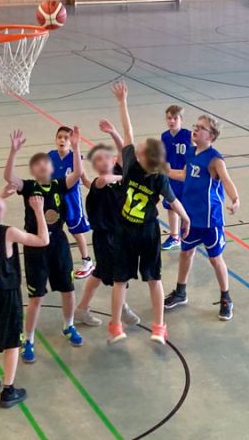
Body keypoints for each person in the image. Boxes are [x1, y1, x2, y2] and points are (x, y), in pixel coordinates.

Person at [107, 81, 191, 346]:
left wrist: (122, 102)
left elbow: (127, 131)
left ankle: (116, 326)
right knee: (154, 280)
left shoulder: (130, 164)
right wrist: (186, 218)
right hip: (147, 232)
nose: (137, 147)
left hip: (127, 230)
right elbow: (173, 201)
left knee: (121, 281)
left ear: (143, 157)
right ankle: (159, 327)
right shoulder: (160, 176)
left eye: (140, 148)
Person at [3, 127, 86, 363]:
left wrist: (76, 147)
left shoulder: (59, 184)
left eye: (45, 163)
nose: (42, 166)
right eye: (37, 164)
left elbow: (78, 173)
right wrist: (13, 151)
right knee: (36, 297)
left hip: (58, 242)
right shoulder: (29, 187)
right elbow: (9, 177)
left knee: (68, 289)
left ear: (51, 167)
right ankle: (28, 339)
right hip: (35, 245)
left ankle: (69, 326)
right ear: (33, 170)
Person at [0, 190, 49, 408]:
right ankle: (8, 390)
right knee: (12, 342)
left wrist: (1, 196)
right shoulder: (9, 232)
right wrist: (39, 211)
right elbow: (43, 240)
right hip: (6, 295)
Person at [163, 115, 240, 321]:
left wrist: (235, 199)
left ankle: (226, 298)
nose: (195, 130)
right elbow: (183, 175)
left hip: (209, 220)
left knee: (215, 259)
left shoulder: (215, 159)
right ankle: (181, 292)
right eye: (195, 126)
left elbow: (227, 181)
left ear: (211, 136)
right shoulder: (190, 152)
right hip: (190, 217)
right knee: (186, 253)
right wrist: (164, 170)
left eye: (201, 128)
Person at [74, 119, 140, 328]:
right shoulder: (99, 183)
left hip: (120, 234)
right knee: (119, 275)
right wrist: (124, 178)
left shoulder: (119, 171)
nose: (102, 161)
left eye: (106, 157)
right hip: (105, 237)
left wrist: (113, 132)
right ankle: (122, 310)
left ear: (113, 160)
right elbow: (104, 180)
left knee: (101, 273)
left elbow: (124, 150)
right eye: (98, 160)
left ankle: (82, 308)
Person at [48, 126, 94, 280]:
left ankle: (87, 261)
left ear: (71, 141)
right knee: (53, 230)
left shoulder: (75, 158)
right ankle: (52, 261)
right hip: (54, 199)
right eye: (59, 137)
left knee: (76, 231)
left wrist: (100, 189)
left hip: (71, 200)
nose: (62, 140)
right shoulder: (50, 156)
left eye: (66, 138)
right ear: (55, 139)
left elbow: (85, 180)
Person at [160, 105, 192, 251]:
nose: (172, 121)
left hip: (185, 178)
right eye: (169, 118)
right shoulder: (165, 136)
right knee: (171, 206)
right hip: (171, 178)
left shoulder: (188, 136)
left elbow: (194, 153)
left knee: (189, 206)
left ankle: (194, 232)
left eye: (175, 118)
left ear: (181, 120)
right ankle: (174, 236)